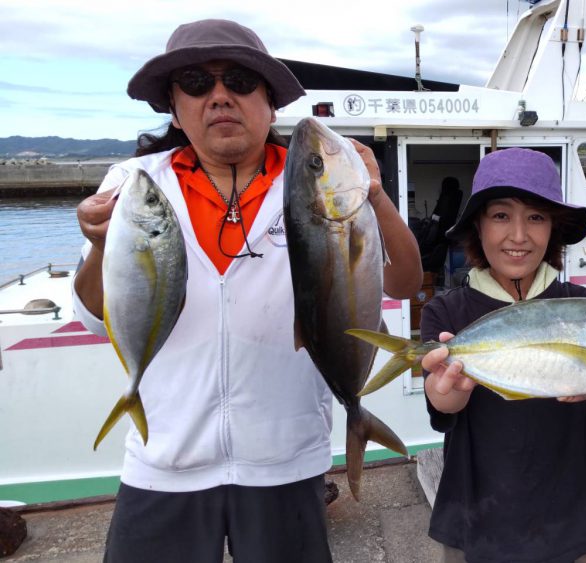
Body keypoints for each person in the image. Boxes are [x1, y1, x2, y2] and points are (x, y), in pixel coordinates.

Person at [72, 19, 421, 562]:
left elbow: (402, 282)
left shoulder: (317, 180)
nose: (219, 97)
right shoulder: (135, 183)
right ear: (172, 103)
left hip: (287, 460)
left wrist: (372, 194)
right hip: (164, 462)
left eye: (238, 80)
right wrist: (98, 245)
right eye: (195, 82)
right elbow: (98, 318)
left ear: (270, 101)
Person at [418, 147, 586, 563]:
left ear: (553, 229)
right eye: (500, 216)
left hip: (573, 514)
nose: (518, 235)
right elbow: (442, 408)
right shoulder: (447, 313)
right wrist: (447, 393)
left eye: (536, 217)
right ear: (478, 225)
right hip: (476, 513)